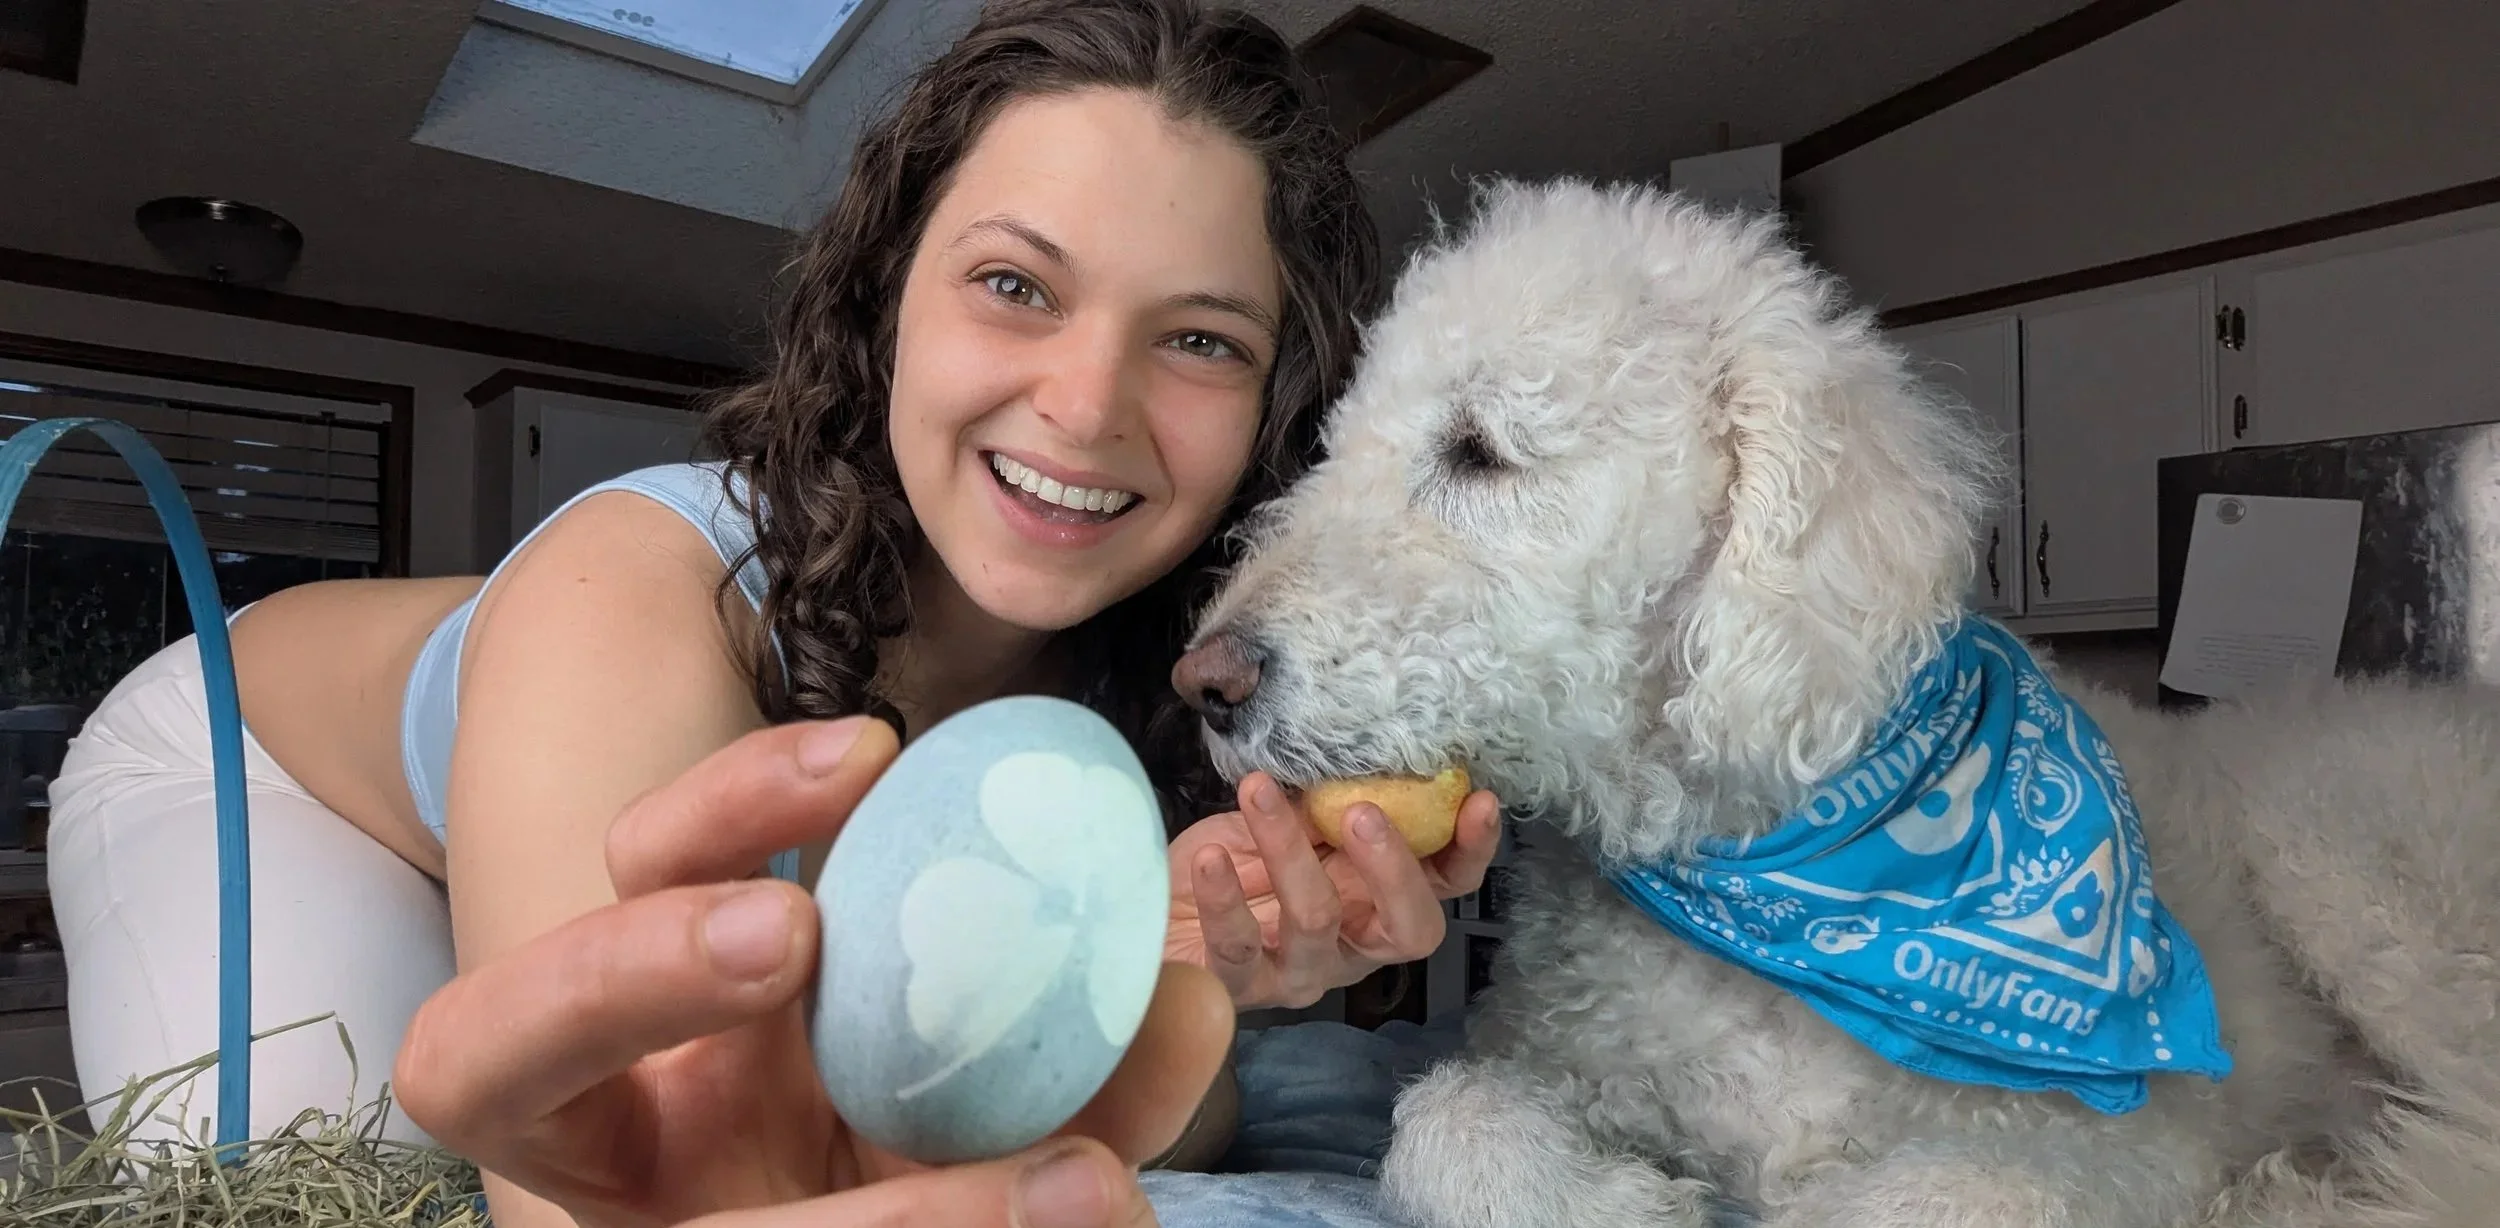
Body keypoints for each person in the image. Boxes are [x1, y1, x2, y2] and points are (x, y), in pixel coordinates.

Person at [43, 0, 1503, 1224]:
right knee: (345, 1177)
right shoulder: (646, 592)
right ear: (887, 302)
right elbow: (615, 1190)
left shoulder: (1157, 687)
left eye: (1200, 339)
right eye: (1014, 284)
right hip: (250, 771)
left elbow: (1158, 1132)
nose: (1086, 406)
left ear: (1274, 414)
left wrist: (1189, 979)